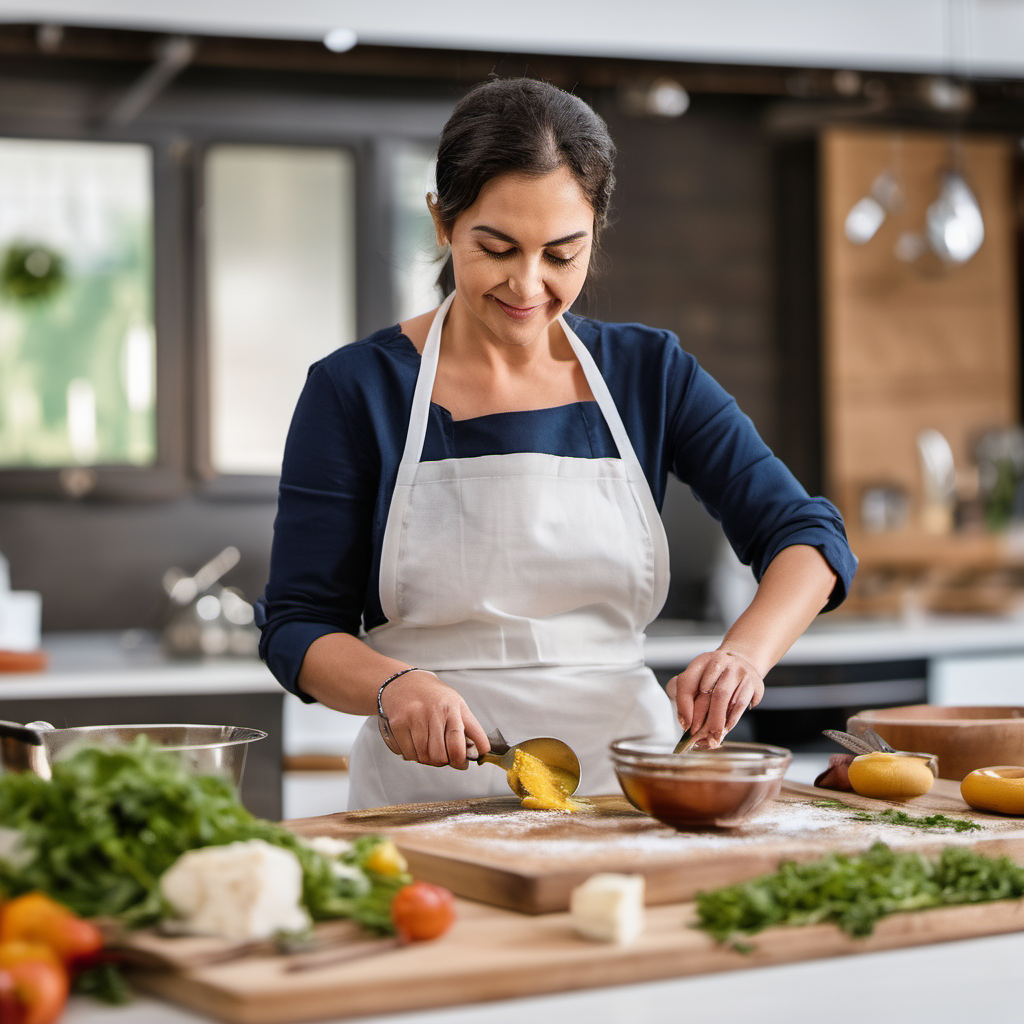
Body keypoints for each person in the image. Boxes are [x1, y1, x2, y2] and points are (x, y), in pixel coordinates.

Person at [257, 77, 857, 811]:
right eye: (497, 247)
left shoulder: (650, 374)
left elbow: (808, 538)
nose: (527, 285)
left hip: (625, 793)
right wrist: (391, 685)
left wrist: (742, 655)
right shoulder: (356, 389)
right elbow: (298, 627)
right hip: (420, 800)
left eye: (561, 254)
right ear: (442, 222)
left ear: (594, 236)